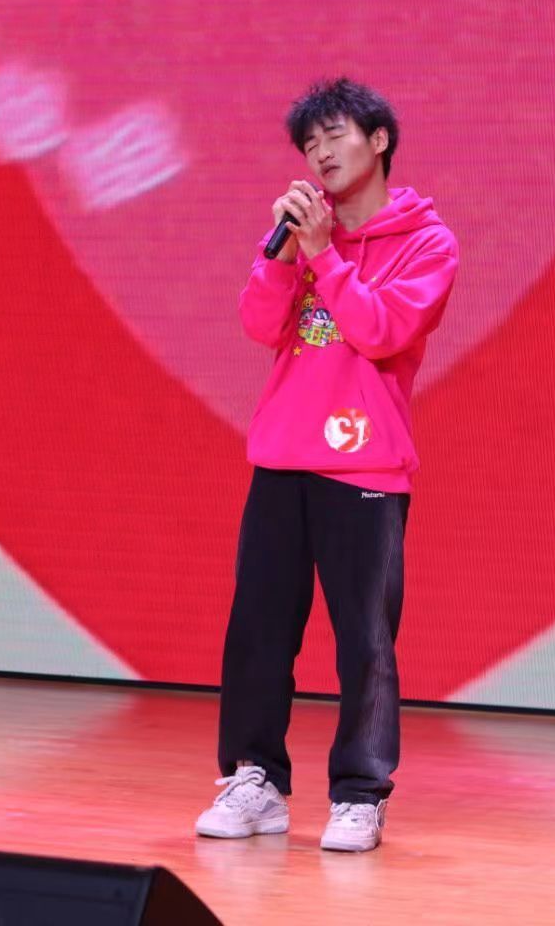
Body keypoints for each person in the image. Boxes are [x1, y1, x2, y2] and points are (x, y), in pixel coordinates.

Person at [194, 79, 458, 851]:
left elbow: (381, 331)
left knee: (364, 643)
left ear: (378, 140)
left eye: (334, 135)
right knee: (258, 631)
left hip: (365, 465)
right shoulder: (302, 235)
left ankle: (359, 794)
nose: (320, 154)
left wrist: (324, 257)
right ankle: (256, 781)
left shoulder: (427, 243)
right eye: (309, 144)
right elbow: (259, 324)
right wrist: (289, 254)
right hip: (282, 456)